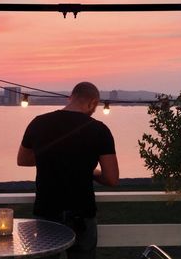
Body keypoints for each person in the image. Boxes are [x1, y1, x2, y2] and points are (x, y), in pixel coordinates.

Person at [17, 82, 119, 259]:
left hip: (47, 210)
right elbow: (111, 178)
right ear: (93, 103)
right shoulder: (99, 130)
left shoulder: (38, 123)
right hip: (82, 212)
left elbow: (23, 160)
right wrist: (91, 172)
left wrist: (50, 158)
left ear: (70, 97)